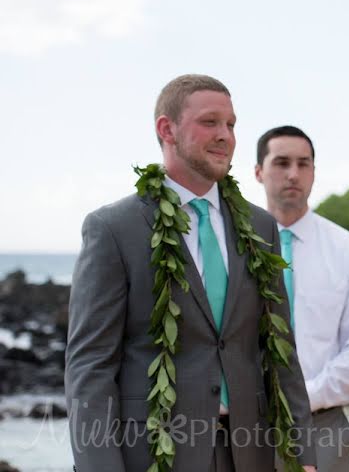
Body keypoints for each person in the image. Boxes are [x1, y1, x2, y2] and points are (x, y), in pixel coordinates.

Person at [65, 75, 317, 472]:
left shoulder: (260, 227)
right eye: (210, 122)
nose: (226, 136)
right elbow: (90, 365)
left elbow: (281, 353)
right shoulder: (114, 228)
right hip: (154, 455)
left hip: (250, 454)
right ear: (167, 129)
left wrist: (302, 455)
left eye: (231, 124)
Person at [255, 125, 349, 472]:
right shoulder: (232, 248)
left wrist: (303, 398)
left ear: (314, 171)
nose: (293, 174)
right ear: (259, 172)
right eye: (281, 163)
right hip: (244, 427)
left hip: (323, 425)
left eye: (304, 164)